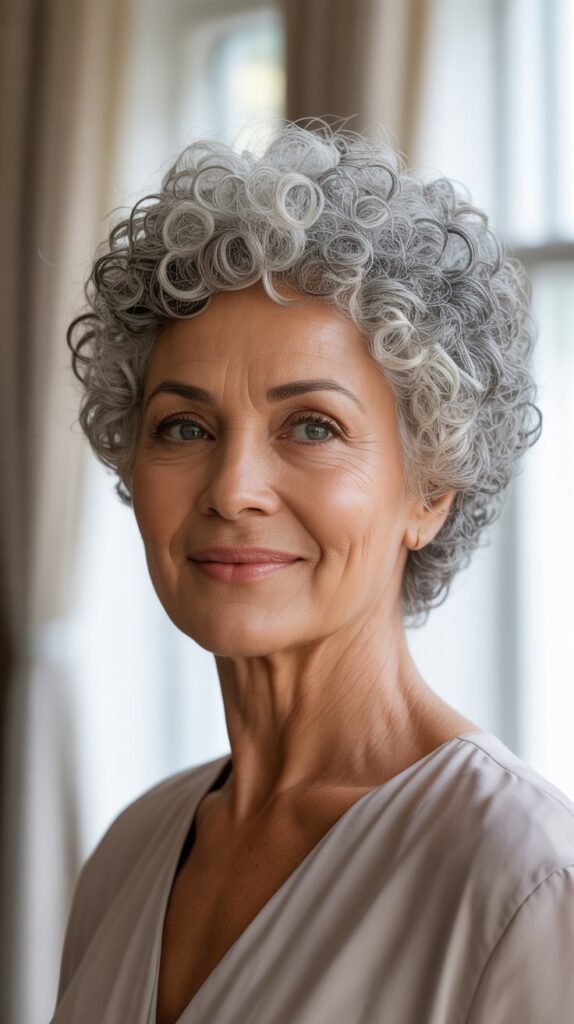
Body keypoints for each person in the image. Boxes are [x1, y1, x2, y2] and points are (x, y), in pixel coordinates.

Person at [52, 119, 574, 1024]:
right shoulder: (130, 850)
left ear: (431, 488)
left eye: (312, 427)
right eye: (185, 426)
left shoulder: (521, 881)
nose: (235, 488)